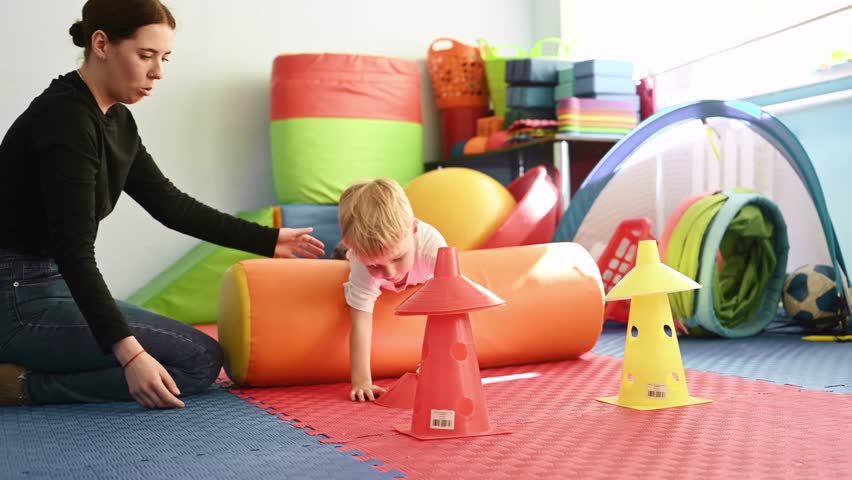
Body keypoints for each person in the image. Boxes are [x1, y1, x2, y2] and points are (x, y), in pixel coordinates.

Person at [0, 0, 324, 409]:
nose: (158, 72)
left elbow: (169, 204)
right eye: (146, 55)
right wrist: (131, 355)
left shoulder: (116, 120)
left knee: (198, 356)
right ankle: (21, 386)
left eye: (164, 57)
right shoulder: (65, 119)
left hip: (52, 286)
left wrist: (270, 239)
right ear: (101, 44)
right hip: (15, 297)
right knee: (196, 362)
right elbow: (74, 252)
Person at [336, 178, 447, 402]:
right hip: (344, 253)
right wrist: (361, 381)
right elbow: (360, 321)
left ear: (414, 230)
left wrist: (436, 359)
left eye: (398, 258)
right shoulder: (359, 260)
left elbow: (448, 306)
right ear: (354, 248)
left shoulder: (432, 248)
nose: (389, 273)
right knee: (338, 258)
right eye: (375, 265)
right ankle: (341, 250)